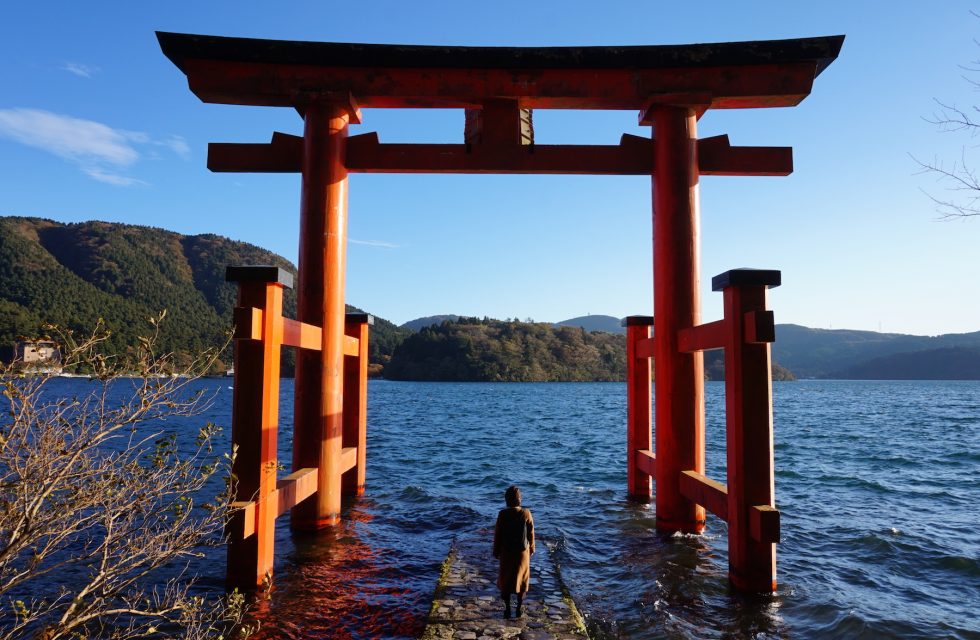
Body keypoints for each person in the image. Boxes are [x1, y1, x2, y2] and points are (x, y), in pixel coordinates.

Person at [492, 485, 535, 619]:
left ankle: (507, 609)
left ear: (507, 500)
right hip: (522, 553)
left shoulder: (502, 514)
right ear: (519, 500)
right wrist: (532, 549)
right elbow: (531, 533)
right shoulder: (526, 513)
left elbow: (498, 535)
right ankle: (519, 609)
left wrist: (496, 551)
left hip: (507, 553)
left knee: (506, 582)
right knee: (521, 582)